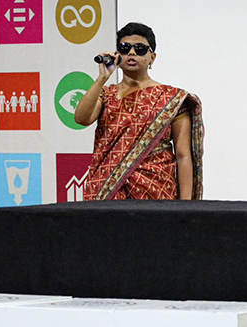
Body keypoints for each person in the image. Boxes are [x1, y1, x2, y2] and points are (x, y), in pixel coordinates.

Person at [75, 22, 204, 201]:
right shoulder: (106, 94)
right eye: (125, 48)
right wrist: (102, 78)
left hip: (156, 191)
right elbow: (81, 118)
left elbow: (183, 156)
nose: (132, 53)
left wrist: (186, 206)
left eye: (140, 49)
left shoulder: (171, 98)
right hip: (108, 192)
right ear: (117, 55)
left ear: (152, 57)